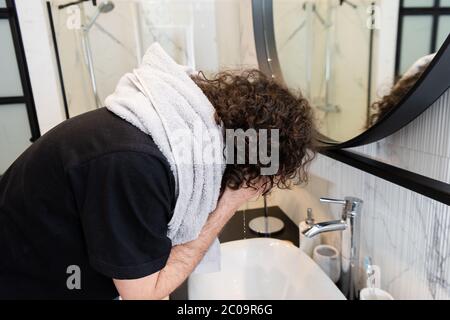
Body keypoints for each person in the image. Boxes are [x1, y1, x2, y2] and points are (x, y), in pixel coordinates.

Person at [0, 67, 315, 299]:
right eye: (266, 180)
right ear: (254, 162)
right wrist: (231, 201)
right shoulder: (139, 164)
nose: (263, 189)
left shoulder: (168, 137)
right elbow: (143, 294)